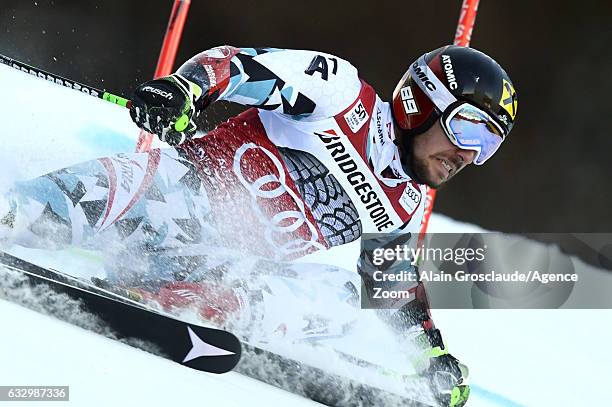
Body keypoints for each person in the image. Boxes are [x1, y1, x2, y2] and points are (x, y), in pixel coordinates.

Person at [0, 44, 517, 407]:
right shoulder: (340, 95)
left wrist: (432, 357)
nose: (468, 154)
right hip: (161, 201)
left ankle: (182, 302)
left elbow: (390, 283)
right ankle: (14, 215)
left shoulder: (402, 202)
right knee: (126, 184)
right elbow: (241, 65)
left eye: (488, 146)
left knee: (341, 294)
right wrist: (185, 90)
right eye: (467, 128)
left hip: (203, 265)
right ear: (421, 103)